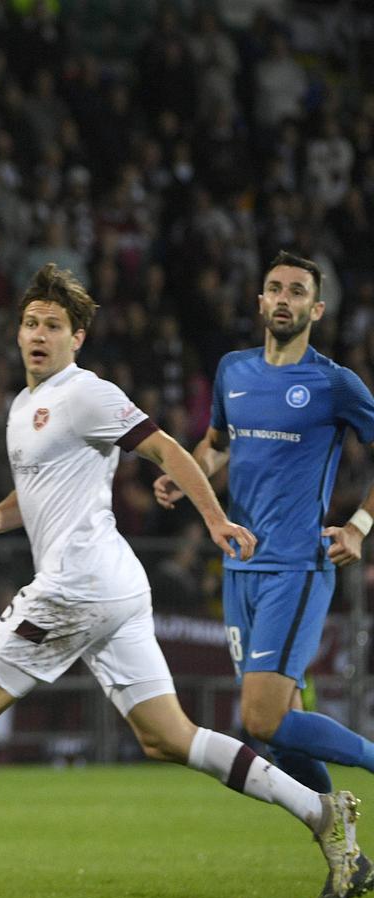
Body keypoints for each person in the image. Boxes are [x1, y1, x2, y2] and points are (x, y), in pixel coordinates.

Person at [0, 264, 369, 898]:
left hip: (80, 584)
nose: (38, 335)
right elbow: (37, 490)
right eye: (30, 323)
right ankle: (323, 813)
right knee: (169, 737)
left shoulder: (87, 394)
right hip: (115, 589)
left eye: (53, 326)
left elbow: (169, 451)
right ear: (16, 334)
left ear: (78, 339)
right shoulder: (24, 408)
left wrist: (214, 520)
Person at [153, 251, 374, 798]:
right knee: (277, 737)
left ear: (317, 309)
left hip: (294, 568)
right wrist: (189, 476)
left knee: (259, 720)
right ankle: (342, 849)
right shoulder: (234, 369)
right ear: (259, 301)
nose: (284, 298)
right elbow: (218, 447)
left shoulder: (335, 384)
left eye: (298, 291)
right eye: (275, 288)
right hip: (238, 567)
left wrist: (359, 525)